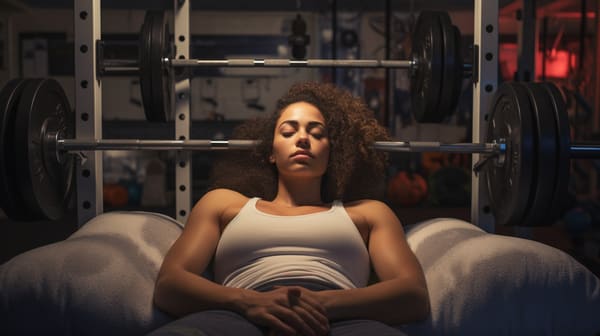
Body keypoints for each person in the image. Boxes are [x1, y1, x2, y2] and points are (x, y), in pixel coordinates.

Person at [151, 81, 430, 336]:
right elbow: (170, 284)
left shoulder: (369, 213)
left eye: (316, 132)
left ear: (333, 153)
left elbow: (413, 294)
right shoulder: (223, 203)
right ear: (271, 152)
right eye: (288, 130)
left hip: (343, 320)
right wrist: (250, 303)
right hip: (235, 317)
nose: (302, 138)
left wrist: (319, 303)